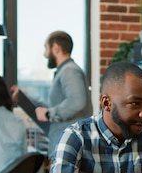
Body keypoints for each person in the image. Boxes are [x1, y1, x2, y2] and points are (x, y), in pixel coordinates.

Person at [11, 30, 92, 158]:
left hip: (70, 148)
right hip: (65, 145)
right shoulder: (65, 71)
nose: (45, 54)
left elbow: (77, 101)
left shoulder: (69, 71)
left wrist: (49, 114)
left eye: (46, 48)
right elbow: (57, 106)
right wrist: (23, 97)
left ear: (55, 48)